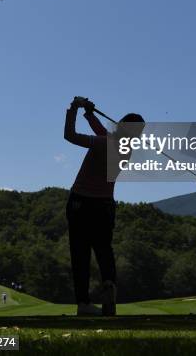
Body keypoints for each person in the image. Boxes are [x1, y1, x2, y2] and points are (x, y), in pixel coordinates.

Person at [64, 96, 144, 316]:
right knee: (104, 251)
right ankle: (109, 284)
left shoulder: (103, 143)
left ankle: (83, 303)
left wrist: (73, 109)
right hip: (104, 206)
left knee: (80, 253)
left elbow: (69, 136)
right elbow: (104, 134)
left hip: (80, 203)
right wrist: (89, 115)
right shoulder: (125, 150)